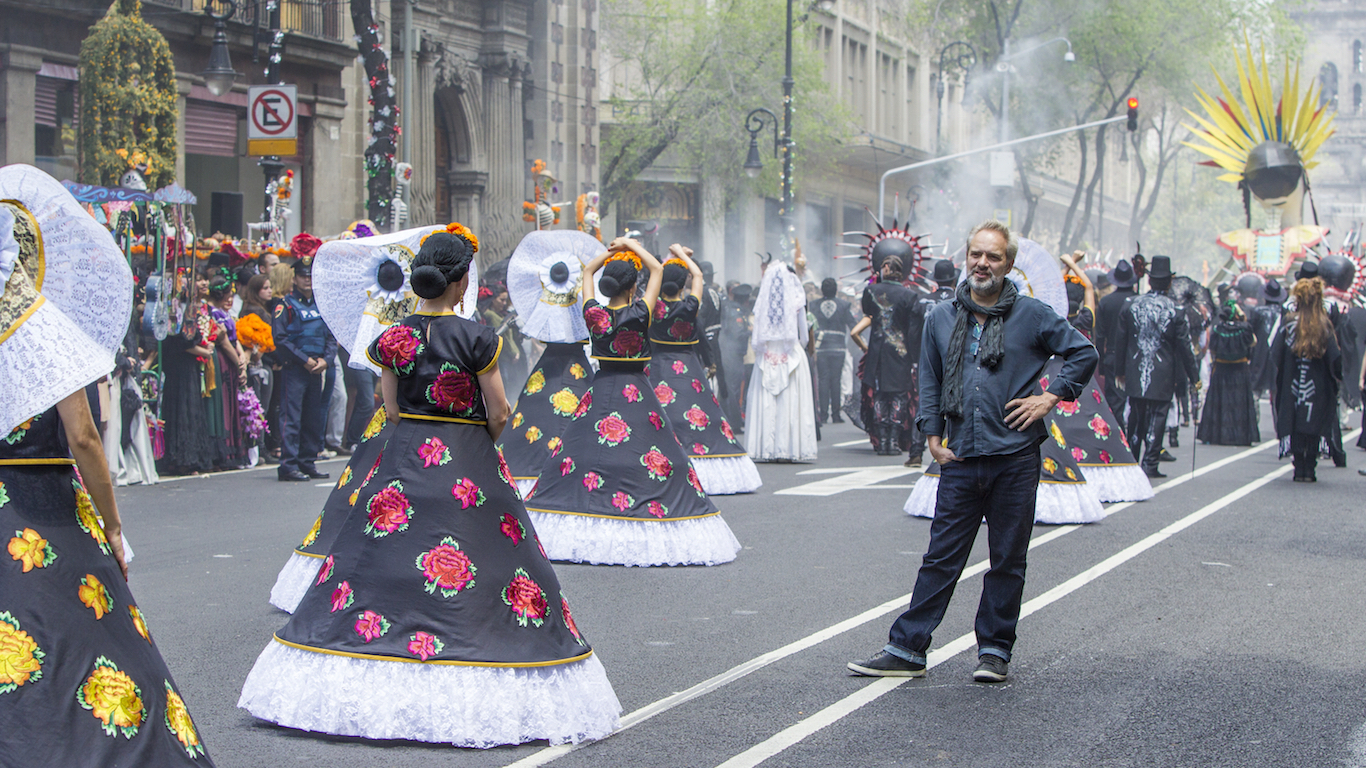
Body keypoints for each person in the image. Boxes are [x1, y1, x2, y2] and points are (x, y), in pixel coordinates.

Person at [240, 229, 622, 745]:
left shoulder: (394, 337)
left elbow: (390, 408)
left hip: (404, 463)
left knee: (371, 564)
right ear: (462, 282)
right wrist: (476, 439)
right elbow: (500, 410)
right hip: (467, 466)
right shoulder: (477, 337)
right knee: (494, 563)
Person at [0, 172, 214, 764]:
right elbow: (86, 438)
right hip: (46, 505)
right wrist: (113, 526)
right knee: (82, 644)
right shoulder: (44, 328)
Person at [849, 220, 1096, 683]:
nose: (983, 263)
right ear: (967, 258)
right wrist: (931, 434)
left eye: (994, 256)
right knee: (941, 555)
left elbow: (1083, 353)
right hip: (960, 454)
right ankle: (907, 648)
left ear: (1008, 264)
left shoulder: (1033, 314)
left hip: (1015, 456)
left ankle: (995, 650)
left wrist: (1050, 396)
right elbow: (930, 376)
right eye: (976, 255)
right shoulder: (941, 316)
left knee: (1007, 557)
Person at [523, 239, 740, 566]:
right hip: (638, 391)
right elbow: (656, 268)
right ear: (634, 286)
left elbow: (586, 272)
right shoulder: (641, 312)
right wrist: (630, 246)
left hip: (601, 389)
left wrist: (610, 253)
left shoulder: (594, 314)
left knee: (583, 451)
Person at [647, 246, 760, 494]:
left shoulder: (652, 306)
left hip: (657, 368)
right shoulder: (689, 306)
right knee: (700, 415)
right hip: (689, 368)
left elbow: (656, 272)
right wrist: (682, 255)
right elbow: (698, 276)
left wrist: (669, 259)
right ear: (683, 285)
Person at [1113, 256, 1200, 478]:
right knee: (1158, 416)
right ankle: (1150, 463)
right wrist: (1194, 376)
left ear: (1150, 281)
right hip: (1163, 371)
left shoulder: (1131, 304)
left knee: (1135, 414)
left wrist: (1119, 371)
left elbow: (1120, 341)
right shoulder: (1176, 309)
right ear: (1169, 282)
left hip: (1134, 367)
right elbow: (1185, 346)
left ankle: (1132, 459)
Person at [746, 256, 819, 462]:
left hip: (767, 352)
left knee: (767, 402)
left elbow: (756, 335)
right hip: (791, 352)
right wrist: (798, 347)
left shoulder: (763, 304)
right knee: (791, 401)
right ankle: (788, 448)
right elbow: (804, 335)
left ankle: (766, 449)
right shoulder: (796, 301)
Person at [1271, 277, 1342, 482]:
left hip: (1291, 382)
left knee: (1293, 421)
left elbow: (1275, 354)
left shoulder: (1289, 323)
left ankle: (1298, 466)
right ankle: (1309, 466)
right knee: (1314, 423)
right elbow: (1335, 357)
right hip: (1317, 384)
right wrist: (1338, 377)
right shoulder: (1324, 325)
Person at [272, 256, 336, 481]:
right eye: (302, 276)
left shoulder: (321, 305)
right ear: (294, 278)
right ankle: (288, 465)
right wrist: (305, 361)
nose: (307, 280)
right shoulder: (285, 305)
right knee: (292, 417)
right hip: (296, 369)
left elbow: (330, 337)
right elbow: (280, 339)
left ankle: (307, 462)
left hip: (316, 369)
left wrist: (326, 361)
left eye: (310, 276)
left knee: (312, 417)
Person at [850, 257, 918, 457]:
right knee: (899, 395)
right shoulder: (909, 295)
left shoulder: (871, 291)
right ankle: (893, 441)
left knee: (879, 394)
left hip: (877, 351)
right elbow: (913, 331)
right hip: (901, 353)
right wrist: (915, 357)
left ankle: (882, 441)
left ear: (887, 269)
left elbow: (868, 313)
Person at [158, 268, 219, 476]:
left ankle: (188, 458)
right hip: (179, 364)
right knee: (182, 410)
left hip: (188, 365)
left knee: (189, 409)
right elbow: (180, 341)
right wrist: (204, 350)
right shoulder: (174, 308)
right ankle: (181, 458)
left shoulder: (191, 307)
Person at [1197, 301, 1259, 445]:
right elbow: (1253, 342)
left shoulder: (1218, 329)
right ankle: (1240, 436)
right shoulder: (1245, 328)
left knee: (1221, 402)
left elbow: (1212, 349)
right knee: (1239, 403)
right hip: (1240, 370)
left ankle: (1217, 435)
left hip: (1222, 369)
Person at [1096, 258, 1138, 416]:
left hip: (1112, 357)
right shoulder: (1137, 301)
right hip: (1134, 356)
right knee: (1133, 399)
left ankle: (1117, 437)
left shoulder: (1106, 302)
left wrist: (1100, 362)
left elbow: (1100, 336)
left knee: (1114, 402)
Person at [812, 277, 855, 424]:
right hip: (838, 348)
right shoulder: (844, 305)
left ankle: (823, 414)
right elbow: (852, 324)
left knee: (823, 380)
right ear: (836, 290)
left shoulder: (813, 306)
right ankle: (836, 414)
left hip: (820, 348)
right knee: (836, 380)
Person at [718, 283, 753, 428]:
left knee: (732, 387)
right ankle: (734, 422)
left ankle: (732, 419)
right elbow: (737, 334)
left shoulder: (732, 308)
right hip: (732, 354)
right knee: (733, 388)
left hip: (734, 353)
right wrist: (750, 331)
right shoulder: (736, 312)